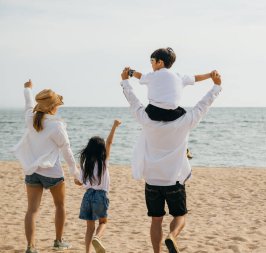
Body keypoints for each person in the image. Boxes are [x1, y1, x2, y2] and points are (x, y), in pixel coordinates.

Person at [120, 67, 222, 253]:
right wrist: (215, 87)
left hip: (152, 180)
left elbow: (133, 101)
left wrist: (126, 82)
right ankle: (172, 236)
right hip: (174, 179)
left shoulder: (146, 120)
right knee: (180, 217)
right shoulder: (185, 121)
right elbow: (203, 105)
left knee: (156, 220)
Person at [13, 79, 80, 253]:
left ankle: (31, 247)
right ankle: (58, 242)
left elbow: (28, 104)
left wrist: (27, 89)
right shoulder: (56, 126)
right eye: (56, 104)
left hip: (33, 171)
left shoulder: (30, 118)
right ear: (52, 107)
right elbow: (67, 151)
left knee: (32, 210)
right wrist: (75, 172)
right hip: (52, 173)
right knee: (60, 206)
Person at [129, 47, 213, 158]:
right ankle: (185, 147)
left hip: (153, 112)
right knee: (184, 124)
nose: (151, 64)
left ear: (160, 62)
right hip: (173, 114)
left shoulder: (152, 76)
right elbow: (195, 78)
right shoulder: (179, 76)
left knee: (147, 120)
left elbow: (140, 76)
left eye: (152, 61)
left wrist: (131, 72)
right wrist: (210, 75)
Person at [75, 119, 121, 253]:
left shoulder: (86, 165)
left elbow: (80, 182)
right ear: (102, 150)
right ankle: (98, 237)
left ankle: (87, 251)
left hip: (88, 196)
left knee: (89, 227)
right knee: (103, 223)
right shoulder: (103, 161)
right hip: (100, 195)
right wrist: (114, 126)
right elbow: (109, 142)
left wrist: (76, 181)